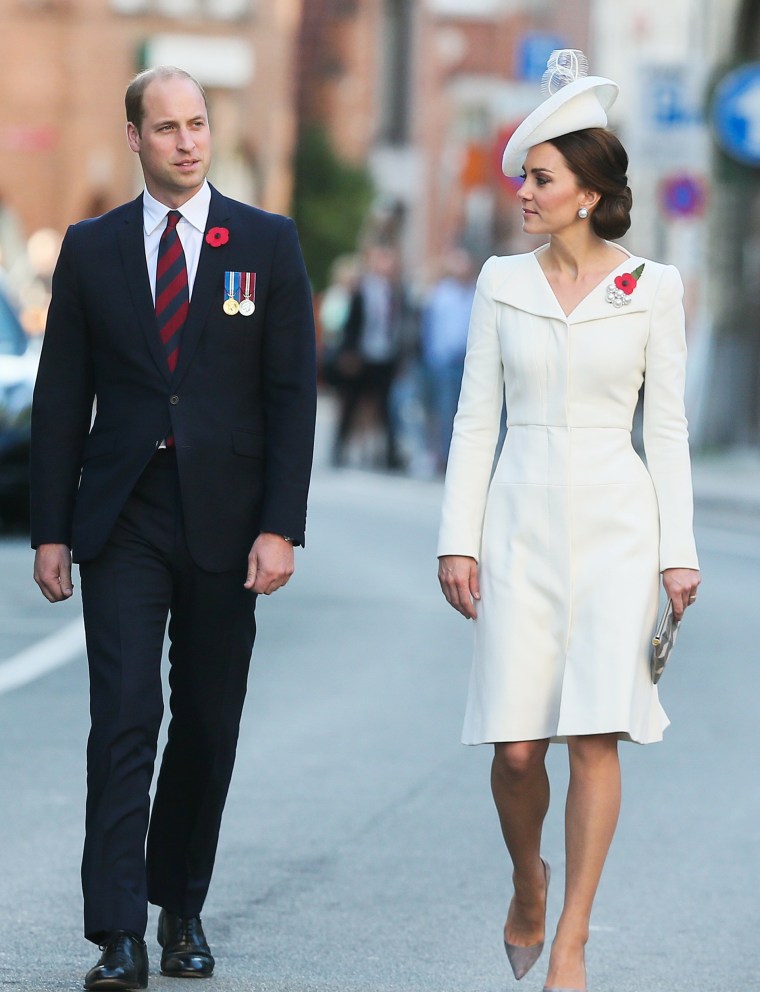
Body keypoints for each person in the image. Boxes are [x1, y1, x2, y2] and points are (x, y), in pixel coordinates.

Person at [30, 66, 316, 991]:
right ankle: (117, 934)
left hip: (228, 527)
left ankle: (180, 906)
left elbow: (291, 397)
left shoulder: (265, 244)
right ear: (134, 139)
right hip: (122, 518)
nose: (187, 142)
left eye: (197, 124)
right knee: (121, 718)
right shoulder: (92, 247)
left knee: (207, 721)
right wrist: (50, 530)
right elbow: (61, 396)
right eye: (167, 128)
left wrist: (281, 527)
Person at [437, 50, 700, 992]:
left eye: (539, 178)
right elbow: (475, 419)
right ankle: (528, 880)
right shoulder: (500, 282)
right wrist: (456, 537)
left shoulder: (654, 289)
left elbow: (665, 428)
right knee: (515, 749)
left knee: (595, 735)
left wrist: (679, 554)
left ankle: (576, 941)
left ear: (587, 191)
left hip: (620, 531)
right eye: (524, 180)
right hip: (516, 526)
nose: (524, 194)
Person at [330, 245, 409, 469]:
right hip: (362, 356)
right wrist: (349, 352)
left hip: (385, 357)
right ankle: (339, 448)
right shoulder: (362, 290)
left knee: (386, 407)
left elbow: (400, 326)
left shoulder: (396, 291)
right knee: (351, 403)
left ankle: (389, 454)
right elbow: (351, 324)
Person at [419, 248, 476, 473]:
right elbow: (429, 327)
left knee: (465, 412)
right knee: (443, 410)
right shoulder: (441, 293)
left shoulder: (476, 293)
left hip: (468, 362)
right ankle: (443, 455)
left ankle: (461, 457)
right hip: (441, 362)